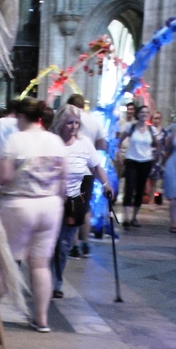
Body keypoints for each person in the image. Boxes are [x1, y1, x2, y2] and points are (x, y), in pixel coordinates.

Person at [0, 98, 67, 333]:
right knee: (40, 264)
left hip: (20, 205)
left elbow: (3, 175)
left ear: (21, 117)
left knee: (5, 262)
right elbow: (65, 179)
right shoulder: (55, 140)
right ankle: (42, 319)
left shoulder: (16, 140)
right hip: (51, 206)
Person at [51, 106, 114, 299]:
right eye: (70, 122)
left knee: (64, 244)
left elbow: (95, 166)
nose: (74, 126)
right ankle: (46, 278)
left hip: (75, 200)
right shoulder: (51, 142)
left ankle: (56, 282)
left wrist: (106, 184)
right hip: (52, 199)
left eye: (77, 123)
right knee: (50, 243)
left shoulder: (85, 143)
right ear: (61, 123)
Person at [64, 94, 107, 258]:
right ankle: (85, 243)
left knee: (71, 207)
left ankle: (73, 246)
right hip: (89, 170)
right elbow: (102, 144)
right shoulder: (94, 121)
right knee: (85, 207)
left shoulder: (68, 118)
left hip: (73, 167)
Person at [117, 105, 157, 228]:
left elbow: (157, 144)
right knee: (129, 188)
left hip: (145, 162)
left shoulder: (151, 130)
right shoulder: (131, 126)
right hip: (131, 160)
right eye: (142, 112)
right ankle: (126, 218)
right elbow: (119, 140)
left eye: (146, 112)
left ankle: (134, 217)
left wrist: (155, 155)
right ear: (138, 114)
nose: (144, 114)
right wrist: (118, 153)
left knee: (140, 190)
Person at [146, 109, 167, 206]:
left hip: (159, 158)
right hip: (148, 156)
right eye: (154, 118)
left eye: (158, 118)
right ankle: (148, 199)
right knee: (148, 179)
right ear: (151, 119)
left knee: (155, 180)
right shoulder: (148, 130)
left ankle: (153, 199)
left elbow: (166, 145)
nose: (156, 120)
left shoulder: (164, 132)